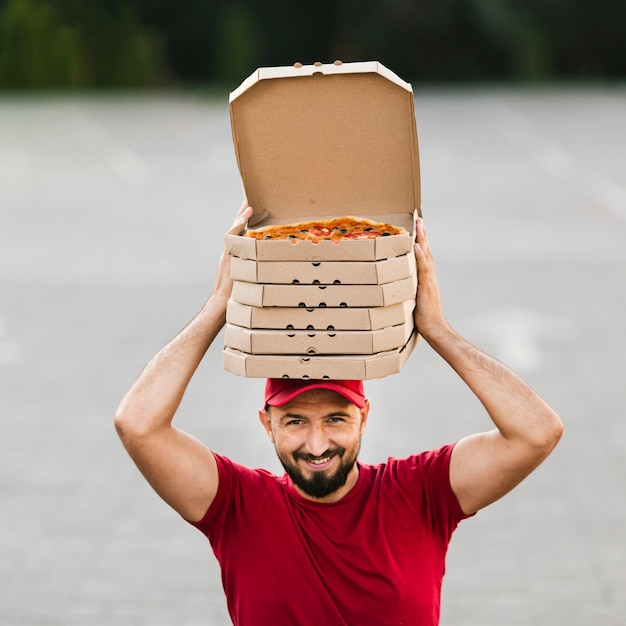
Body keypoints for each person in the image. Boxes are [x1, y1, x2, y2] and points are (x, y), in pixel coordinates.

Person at [115, 200, 563, 626]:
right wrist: (218, 305)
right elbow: (138, 424)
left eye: (335, 419)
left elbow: (536, 433)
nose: (316, 444)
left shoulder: (421, 493)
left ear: (364, 418)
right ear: (266, 423)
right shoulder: (236, 505)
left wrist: (437, 330)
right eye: (295, 421)